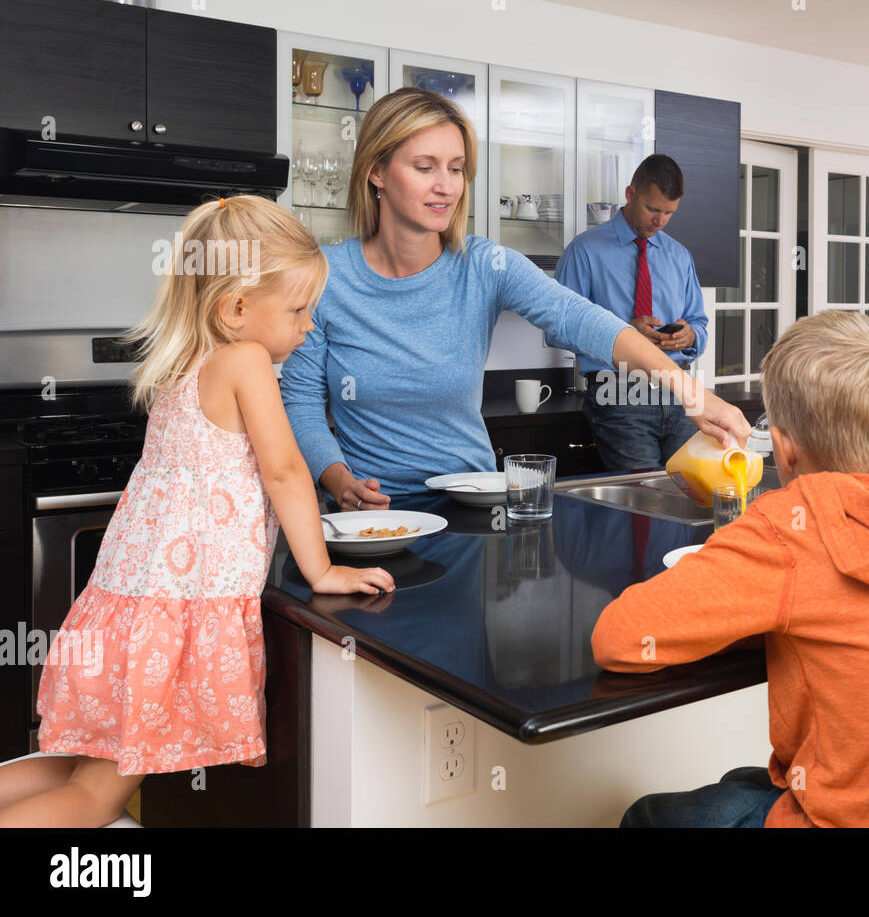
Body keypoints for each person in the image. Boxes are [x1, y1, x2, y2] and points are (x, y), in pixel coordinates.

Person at [0, 197, 394, 827]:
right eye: (298, 309)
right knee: (93, 799)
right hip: (169, 616)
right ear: (236, 308)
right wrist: (322, 571)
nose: (310, 326)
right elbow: (286, 470)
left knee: (73, 762)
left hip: (125, 609)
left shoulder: (183, 365)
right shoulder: (244, 362)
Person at [591, 311, 869, 827]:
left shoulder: (788, 526)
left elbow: (618, 640)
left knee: (648, 817)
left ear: (784, 447)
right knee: (744, 783)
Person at [280, 91, 745, 509]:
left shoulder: (485, 266)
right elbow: (300, 400)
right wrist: (338, 480)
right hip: (371, 515)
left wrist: (695, 397)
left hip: (470, 503)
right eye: (425, 167)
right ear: (377, 171)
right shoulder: (325, 276)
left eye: (457, 168)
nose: (446, 185)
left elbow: (581, 319)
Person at [549, 154, 709, 470]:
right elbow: (557, 328)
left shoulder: (679, 255)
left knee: (690, 498)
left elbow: (699, 324)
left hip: (679, 391)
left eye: (669, 213)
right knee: (644, 500)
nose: (660, 220)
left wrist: (689, 334)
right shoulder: (584, 251)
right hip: (618, 394)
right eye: (653, 209)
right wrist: (625, 333)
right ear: (630, 194)